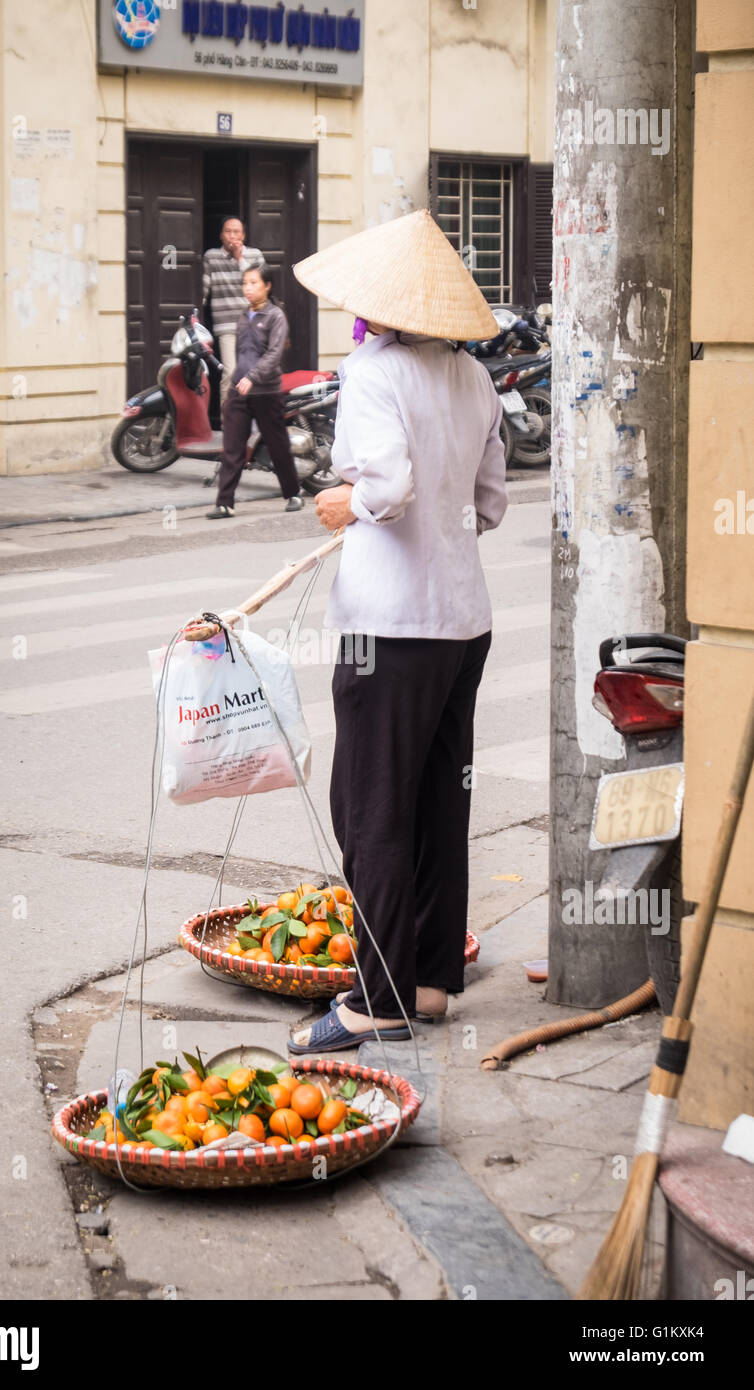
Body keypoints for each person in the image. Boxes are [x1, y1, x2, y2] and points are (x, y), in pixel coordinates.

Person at [286, 209, 508, 1053]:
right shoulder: (475, 379)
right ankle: (429, 979)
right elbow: (489, 503)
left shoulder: (373, 372)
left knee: (372, 809)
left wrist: (349, 503)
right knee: (437, 801)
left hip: (389, 628)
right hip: (461, 624)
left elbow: (389, 486)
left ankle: (379, 999)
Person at [207, 264, 303, 520]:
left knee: (277, 444)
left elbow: (274, 354)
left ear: (267, 286)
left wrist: (253, 376)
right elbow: (243, 355)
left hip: (266, 391)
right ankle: (224, 503)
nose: (247, 288)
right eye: (245, 283)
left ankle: (293, 493)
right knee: (232, 448)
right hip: (240, 391)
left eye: (253, 283)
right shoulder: (242, 316)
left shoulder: (275, 316)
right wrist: (238, 381)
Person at [201, 217, 264, 392]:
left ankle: (250, 418)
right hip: (226, 324)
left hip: (252, 323)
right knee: (230, 373)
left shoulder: (255, 255)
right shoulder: (211, 257)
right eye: (228, 232)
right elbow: (204, 289)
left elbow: (258, 284)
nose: (232, 236)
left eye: (236, 232)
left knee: (252, 373)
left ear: (243, 235)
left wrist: (239, 260)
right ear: (221, 235)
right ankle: (227, 419)